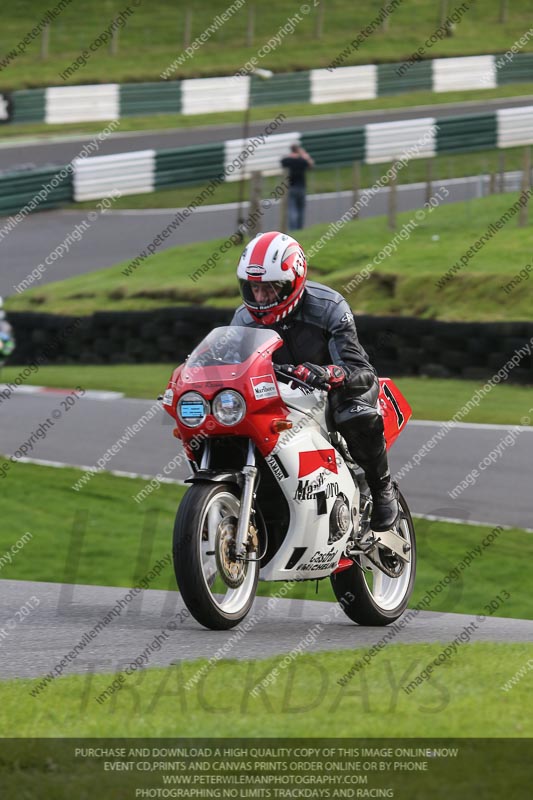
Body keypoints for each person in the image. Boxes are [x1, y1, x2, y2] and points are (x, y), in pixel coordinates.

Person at [230, 230, 399, 532]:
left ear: (293, 282)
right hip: (280, 395)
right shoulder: (243, 319)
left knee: (353, 411)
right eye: (253, 288)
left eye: (269, 289)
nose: (260, 298)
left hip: (335, 388)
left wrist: (329, 373)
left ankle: (381, 489)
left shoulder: (328, 307)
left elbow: (359, 370)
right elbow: (232, 368)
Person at [280, 144, 314, 231]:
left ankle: (293, 229)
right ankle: (300, 228)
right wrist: (304, 155)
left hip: (290, 187)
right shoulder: (302, 160)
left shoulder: (287, 160)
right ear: (298, 150)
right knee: (301, 209)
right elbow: (311, 165)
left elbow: (282, 162)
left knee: (292, 209)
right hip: (301, 187)